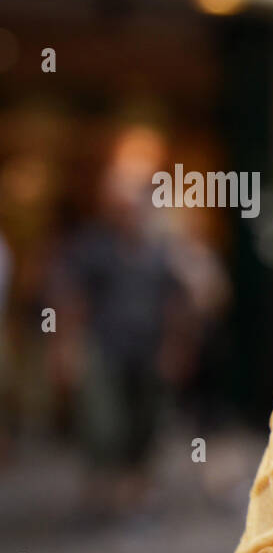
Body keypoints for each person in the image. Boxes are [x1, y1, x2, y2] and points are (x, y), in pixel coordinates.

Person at [48, 149, 184, 521]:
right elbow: (70, 301)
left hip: (148, 351)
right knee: (104, 424)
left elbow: (176, 301)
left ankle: (134, 497)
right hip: (105, 350)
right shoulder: (92, 247)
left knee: (145, 425)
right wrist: (65, 348)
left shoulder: (159, 251)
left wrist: (174, 349)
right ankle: (102, 496)